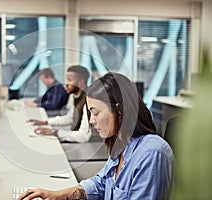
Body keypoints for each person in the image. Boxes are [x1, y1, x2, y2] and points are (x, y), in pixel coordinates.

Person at [19, 72, 174, 200]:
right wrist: (55, 195)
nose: (92, 121)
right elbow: (101, 183)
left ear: (119, 110)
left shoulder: (152, 154)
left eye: (95, 113)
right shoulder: (120, 144)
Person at [27, 65, 91, 143]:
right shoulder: (77, 97)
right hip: (75, 138)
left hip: (87, 144)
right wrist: (45, 122)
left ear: (81, 82)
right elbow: (70, 118)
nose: (66, 84)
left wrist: (54, 132)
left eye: (69, 80)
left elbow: (83, 136)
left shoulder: (89, 101)